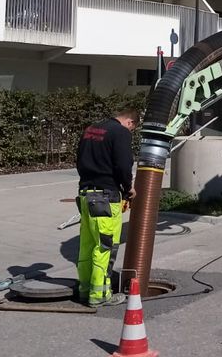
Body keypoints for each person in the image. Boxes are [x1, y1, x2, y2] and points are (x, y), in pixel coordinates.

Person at [75, 107, 139, 307]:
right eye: (133, 129)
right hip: (105, 198)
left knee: (87, 246)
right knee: (105, 247)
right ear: (130, 122)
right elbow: (123, 164)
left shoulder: (92, 129)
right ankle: (101, 295)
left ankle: (85, 289)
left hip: (85, 195)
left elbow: (79, 159)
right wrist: (128, 188)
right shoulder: (120, 132)